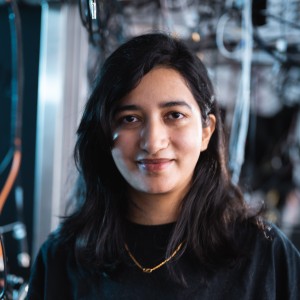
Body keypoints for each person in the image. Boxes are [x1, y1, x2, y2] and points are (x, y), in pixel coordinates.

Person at [27, 33, 300, 300]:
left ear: (206, 132)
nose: (153, 142)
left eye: (174, 115)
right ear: (103, 133)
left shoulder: (266, 257)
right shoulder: (62, 259)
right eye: (130, 118)